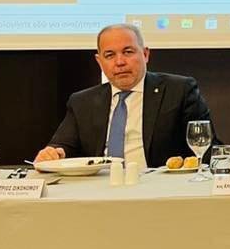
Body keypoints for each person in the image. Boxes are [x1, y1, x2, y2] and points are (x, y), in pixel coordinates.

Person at [35, 23, 215, 169]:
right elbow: (63, 146)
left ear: (145, 54)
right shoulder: (82, 102)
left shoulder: (179, 90)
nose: (120, 62)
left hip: (159, 189)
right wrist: (53, 153)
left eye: (128, 52)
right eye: (110, 55)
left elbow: (206, 147)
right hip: (99, 189)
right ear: (99, 61)